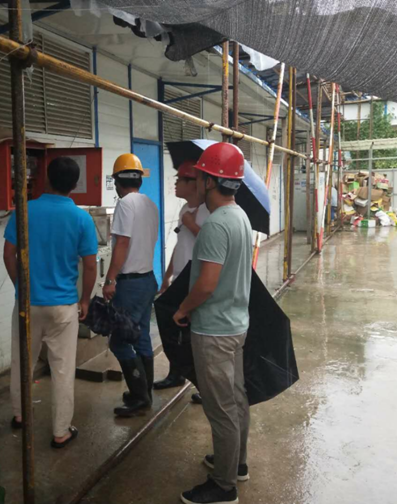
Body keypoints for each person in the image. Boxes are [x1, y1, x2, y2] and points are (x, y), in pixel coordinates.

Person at [173, 143, 253, 504]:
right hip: (235, 325)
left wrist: (183, 309)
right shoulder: (240, 216)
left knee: (220, 409)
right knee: (236, 399)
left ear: (209, 181)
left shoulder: (216, 225)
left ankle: (223, 486)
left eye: (200, 176)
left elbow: (206, 285)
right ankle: (236, 463)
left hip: (214, 330)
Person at [4, 157, 98, 448]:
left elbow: (9, 254)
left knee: (23, 362)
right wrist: (85, 300)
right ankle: (60, 431)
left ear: (45, 178)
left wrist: (21, 287)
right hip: (63, 307)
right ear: (75, 185)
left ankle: (20, 415)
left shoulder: (24, 211)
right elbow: (90, 266)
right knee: (62, 370)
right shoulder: (82, 218)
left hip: (27, 304)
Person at [102, 153, 158, 417]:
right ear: (139, 180)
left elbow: (122, 244)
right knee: (142, 337)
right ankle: (145, 392)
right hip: (147, 280)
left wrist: (110, 279)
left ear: (118, 181)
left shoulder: (125, 204)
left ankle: (139, 396)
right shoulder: (150, 203)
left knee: (120, 342)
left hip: (130, 284)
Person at [154, 160, 209, 400]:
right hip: (180, 278)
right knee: (173, 329)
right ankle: (176, 373)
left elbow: (211, 243)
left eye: (180, 180)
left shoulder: (208, 211)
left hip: (197, 279)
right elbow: (180, 244)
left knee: (197, 335)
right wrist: (167, 275)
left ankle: (206, 387)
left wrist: (192, 225)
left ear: (194, 183)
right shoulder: (185, 209)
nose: (175, 184)